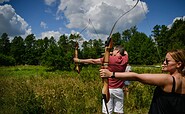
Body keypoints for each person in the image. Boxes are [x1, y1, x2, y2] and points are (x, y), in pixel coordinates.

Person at [100, 49, 185, 114]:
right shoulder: (183, 79)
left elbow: (136, 76)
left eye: (167, 61)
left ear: (179, 64)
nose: (164, 62)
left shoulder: (168, 79)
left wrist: (111, 74)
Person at [74, 45, 128, 114]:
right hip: (119, 90)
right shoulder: (125, 59)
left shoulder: (109, 59)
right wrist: (113, 52)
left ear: (117, 51)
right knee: (119, 112)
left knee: (107, 112)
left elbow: (93, 61)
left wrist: (78, 60)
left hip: (108, 89)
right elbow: (125, 52)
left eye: (114, 50)